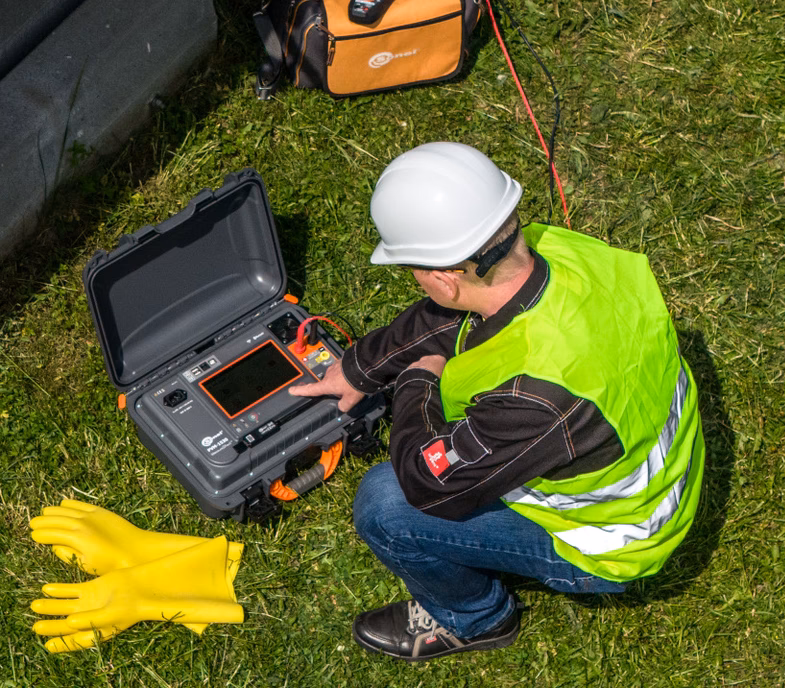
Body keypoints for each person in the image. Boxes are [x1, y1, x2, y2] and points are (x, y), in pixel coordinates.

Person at [289, 141, 704, 661]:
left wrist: (417, 383)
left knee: (385, 504)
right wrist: (359, 369)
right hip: (655, 461)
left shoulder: (537, 397)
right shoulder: (565, 251)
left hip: (617, 541)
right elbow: (447, 318)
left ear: (443, 276)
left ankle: (477, 619)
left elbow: (428, 482)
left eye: (413, 271)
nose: (418, 283)